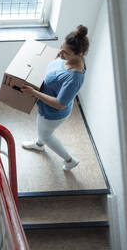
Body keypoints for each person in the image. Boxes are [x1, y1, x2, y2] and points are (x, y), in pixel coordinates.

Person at [21, 25, 89, 171]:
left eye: (66, 53)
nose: (60, 53)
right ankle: (39, 145)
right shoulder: (67, 60)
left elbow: (59, 104)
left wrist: (34, 92)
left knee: (46, 135)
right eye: (61, 48)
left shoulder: (74, 77)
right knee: (43, 131)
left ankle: (69, 160)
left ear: (80, 54)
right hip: (46, 106)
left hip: (53, 113)